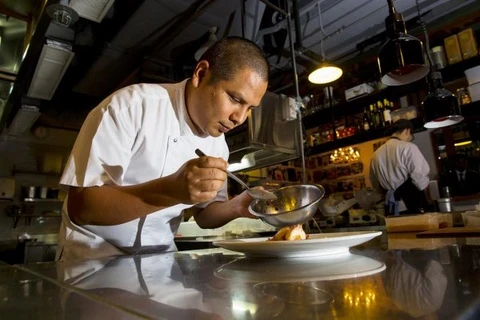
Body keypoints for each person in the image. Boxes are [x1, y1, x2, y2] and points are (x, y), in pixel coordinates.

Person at [56, 37, 269, 262]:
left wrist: (238, 206)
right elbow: (82, 206)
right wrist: (170, 191)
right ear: (201, 74)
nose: (239, 118)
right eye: (235, 99)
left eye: (250, 109)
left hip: (160, 265)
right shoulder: (131, 106)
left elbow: (204, 215)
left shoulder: (218, 145)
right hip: (93, 260)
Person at [370, 119, 431, 215]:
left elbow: (375, 185)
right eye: (411, 137)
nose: (409, 140)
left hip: (391, 207)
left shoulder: (375, 155)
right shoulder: (409, 147)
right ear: (407, 131)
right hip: (412, 205)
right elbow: (420, 179)